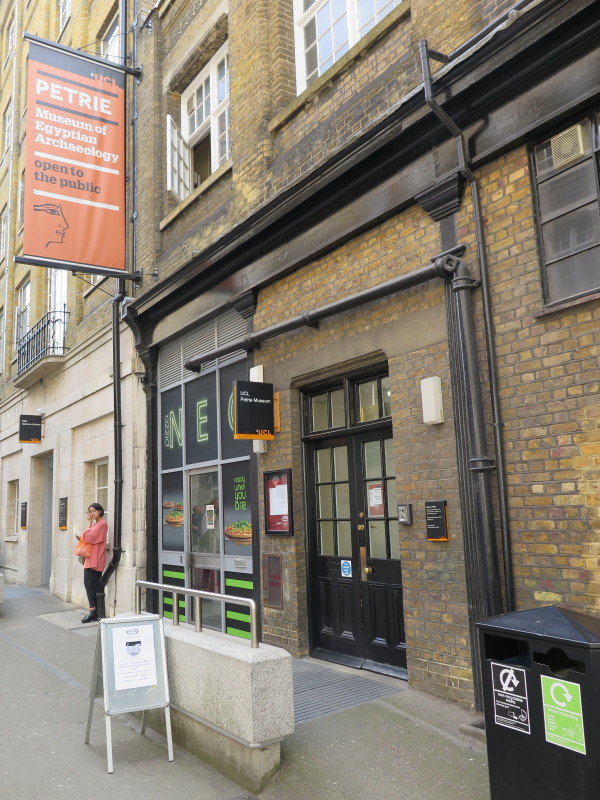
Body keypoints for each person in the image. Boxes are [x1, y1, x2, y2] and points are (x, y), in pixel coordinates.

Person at [77, 502, 108, 623]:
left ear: (100, 511)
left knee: (92, 585)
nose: (91, 513)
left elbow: (89, 538)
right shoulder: (96, 524)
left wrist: (88, 524)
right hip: (91, 558)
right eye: (90, 511)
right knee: (89, 585)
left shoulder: (102, 524)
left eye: (94, 511)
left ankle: (94, 612)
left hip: (96, 559)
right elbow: (86, 537)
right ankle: (93, 611)